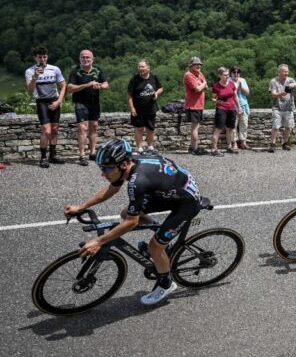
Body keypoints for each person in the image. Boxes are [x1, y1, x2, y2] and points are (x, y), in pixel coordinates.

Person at [64, 139, 203, 305]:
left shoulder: (138, 181)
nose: (103, 173)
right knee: (126, 213)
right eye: (101, 168)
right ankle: (161, 232)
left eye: (107, 169)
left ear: (123, 165)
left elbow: (132, 222)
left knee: (154, 246)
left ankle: (166, 284)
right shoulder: (128, 164)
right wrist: (81, 207)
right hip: (169, 190)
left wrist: (99, 241)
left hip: (186, 202)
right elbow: (113, 187)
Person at [24, 46, 67, 168]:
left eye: (44, 57)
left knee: (54, 129)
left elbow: (63, 85)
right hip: (41, 101)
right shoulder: (30, 71)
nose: (42, 59)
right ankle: (43, 158)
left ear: (47, 57)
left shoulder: (55, 69)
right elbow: (30, 89)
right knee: (46, 130)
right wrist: (35, 77)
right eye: (39, 57)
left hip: (54, 100)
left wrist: (59, 101)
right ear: (35, 58)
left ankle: (52, 156)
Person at [67, 49, 109, 166]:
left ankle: (93, 152)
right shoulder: (75, 71)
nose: (85, 59)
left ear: (92, 59)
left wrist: (100, 85)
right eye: (83, 57)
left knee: (94, 126)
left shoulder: (98, 69)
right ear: (79, 58)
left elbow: (106, 84)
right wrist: (87, 84)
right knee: (82, 127)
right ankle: (82, 154)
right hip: (80, 102)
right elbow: (69, 88)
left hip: (94, 102)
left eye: (87, 57)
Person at [127, 59, 163, 154]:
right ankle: (139, 147)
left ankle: (150, 147)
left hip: (151, 108)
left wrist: (156, 93)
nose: (140, 69)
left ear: (148, 68)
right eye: (139, 67)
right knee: (139, 128)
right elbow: (129, 95)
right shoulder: (134, 79)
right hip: (138, 109)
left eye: (142, 67)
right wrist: (132, 108)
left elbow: (161, 88)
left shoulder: (154, 77)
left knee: (150, 128)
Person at [269, 64, 296, 152]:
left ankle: (285, 143)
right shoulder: (273, 81)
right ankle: (272, 144)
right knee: (275, 126)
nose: (286, 73)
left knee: (288, 126)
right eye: (284, 72)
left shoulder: (290, 80)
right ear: (279, 72)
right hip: (277, 107)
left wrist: (294, 85)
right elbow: (273, 94)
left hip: (289, 107)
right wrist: (281, 94)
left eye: (287, 71)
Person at [210, 67, 241, 156]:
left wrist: (239, 107)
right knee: (218, 129)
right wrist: (216, 101)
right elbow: (213, 97)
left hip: (232, 108)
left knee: (230, 128)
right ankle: (214, 149)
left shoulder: (231, 84)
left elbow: (235, 96)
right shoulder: (216, 86)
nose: (227, 76)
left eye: (228, 75)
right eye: (225, 75)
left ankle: (229, 146)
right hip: (221, 108)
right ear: (220, 75)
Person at [183, 57, 208, 155]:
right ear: (191, 66)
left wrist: (203, 85)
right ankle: (194, 147)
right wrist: (203, 83)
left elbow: (205, 87)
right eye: (196, 64)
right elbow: (197, 89)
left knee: (196, 126)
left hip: (199, 105)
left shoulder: (199, 74)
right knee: (195, 127)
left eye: (200, 64)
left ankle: (192, 146)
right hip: (193, 105)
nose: (199, 66)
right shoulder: (189, 75)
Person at [230, 65, 251, 150]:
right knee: (233, 126)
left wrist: (240, 87)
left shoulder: (243, 80)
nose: (236, 74)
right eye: (234, 72)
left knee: (244, 125)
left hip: (244, 105)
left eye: (238, 72)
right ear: (231, 73)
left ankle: (243, 142)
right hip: (232, 106)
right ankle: (234, 143)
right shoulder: (228, 81)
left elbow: (247, 93)